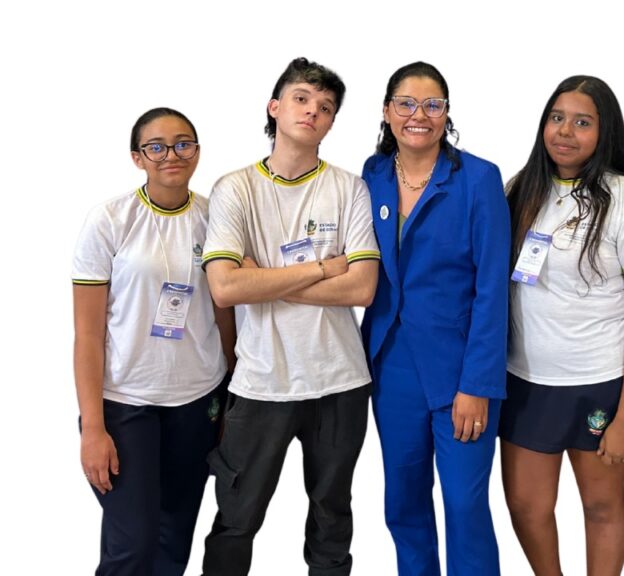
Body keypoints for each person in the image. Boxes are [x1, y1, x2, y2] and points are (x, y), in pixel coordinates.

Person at [199, 57, 379, 576]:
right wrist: (323, 269)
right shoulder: (236, 188)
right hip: (262, 382)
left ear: (331, 123)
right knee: (237, 517)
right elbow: (225, 287)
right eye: (301, 99)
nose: (312, 111)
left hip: (340, 382)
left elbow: (362, 288)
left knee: (332, 516)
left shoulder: (349, 188)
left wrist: (264, 279)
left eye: (326, 107)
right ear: (274, 108)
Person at [501, 76, 624, 576]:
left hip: (598, 382)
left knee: (601, 505)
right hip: (525, 380)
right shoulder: (519, 189)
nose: (565, 131)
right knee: (527, 507)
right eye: (557, 118)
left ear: (604, 131)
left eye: (582, 122)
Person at [360, 61, 511, 576]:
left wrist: (477, 385)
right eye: (406, 103)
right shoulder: (373, 175)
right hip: (391, 366)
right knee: (403, 503)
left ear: (447, 113)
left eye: (432, 105)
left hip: (460, 371)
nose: (418, 115)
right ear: (387, 111)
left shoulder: (479, 179)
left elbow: (493, 289)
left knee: (465, 506)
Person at [72, 107, 236, 576]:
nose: (172, 155)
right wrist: (93, 427)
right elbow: (87, 333)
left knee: (173, 542)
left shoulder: (215, 218)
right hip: (126, 402)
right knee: (133, 545)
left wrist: (231, 397)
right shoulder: (110, 220)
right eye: (156, 147)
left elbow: (226, 314)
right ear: (137, 157)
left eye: (183, 144)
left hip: (197, 401)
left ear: (197, 152)